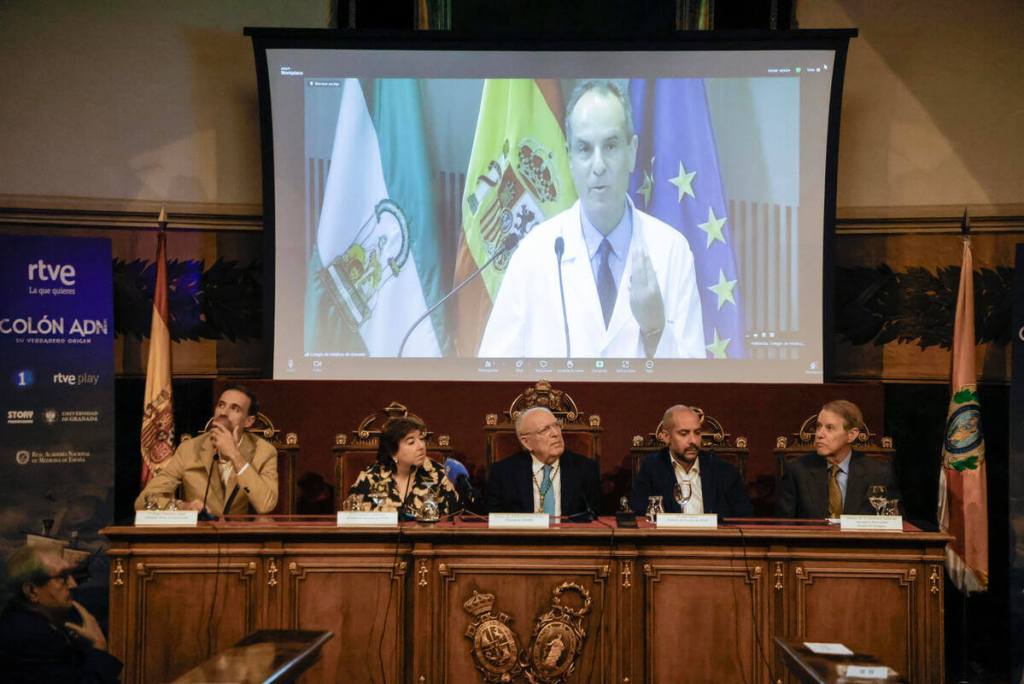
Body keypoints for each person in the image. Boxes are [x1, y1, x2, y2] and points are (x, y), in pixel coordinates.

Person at [478, 80, 704, 359]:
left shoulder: (672, 251)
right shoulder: (532, 254)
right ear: (569, 157)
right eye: (585, 149)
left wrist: (655, 329)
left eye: (610, 146)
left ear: (632, 152)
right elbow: (494, 370)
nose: (598, 165)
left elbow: (693, 390)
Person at [135, 385, 278, 517]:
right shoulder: (189, 449)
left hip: (241, 539)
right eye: (221, 405)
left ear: (248, 421)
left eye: (235, 408)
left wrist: (235, 455)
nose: (224, 412)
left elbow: (266, 505)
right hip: (199, 538)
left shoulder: (264, 452)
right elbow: (143, 501)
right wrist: (183, 506)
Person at [0, 544, 122, 683]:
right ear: (32, 591)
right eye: (63, 577)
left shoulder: (25, 622)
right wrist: (98, 646)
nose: (73, 584)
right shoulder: (33, 637)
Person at [775, 400, 902, 518]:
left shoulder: (878, 472)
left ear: (851, 435)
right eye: (819, 426)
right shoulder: (797, 470)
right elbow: (784, 524)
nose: (819, 434)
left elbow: (894, 520)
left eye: (829, 428)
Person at [630, 405, 753, 517]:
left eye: (697, 433)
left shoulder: (724, 471)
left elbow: (744, 518)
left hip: (713, 540)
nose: (693, 440)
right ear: (666, 437)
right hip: (668, 540)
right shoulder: (651, 469)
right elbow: (639, 515)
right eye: (684, 434)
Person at [485, 407, 601, 519]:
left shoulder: (586, 469)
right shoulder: (503, 473)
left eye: (556, 425)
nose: (556, 433)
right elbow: (494, 520)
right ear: (526, 442)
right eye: (545, 429)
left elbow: (596, 517)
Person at [347, 416, 459, 517]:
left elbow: (452, 522)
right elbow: (352, 519)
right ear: (392, 452)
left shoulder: (440, 475)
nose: (421, 446)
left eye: (421, 438)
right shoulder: (369, 479)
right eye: (411, 442)